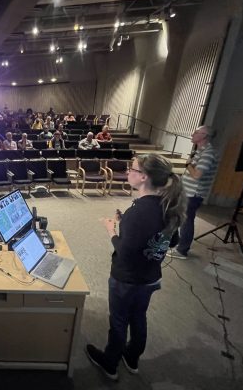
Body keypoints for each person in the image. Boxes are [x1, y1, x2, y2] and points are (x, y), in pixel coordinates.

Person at [86, 154, 186, 381]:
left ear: (143, 177)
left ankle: (110, 363)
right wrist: (127, 227)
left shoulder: (138, 212)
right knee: (139, 317)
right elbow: (171, 241)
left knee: (119, 320)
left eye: (132, 169)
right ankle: (132, 358)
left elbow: (125, 251)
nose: (128, 172)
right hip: (150, 278)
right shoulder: (167, 205)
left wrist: (111, 229)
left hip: (126, 279)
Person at [174, 126, 218, 259]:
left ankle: (182, 251)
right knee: (183, 219)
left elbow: (197, 175)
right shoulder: (199, 151)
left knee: (187, 221)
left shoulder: (207, 154)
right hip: (187, 192)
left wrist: (188, 165)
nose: (192, 134)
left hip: (193, 194)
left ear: (204, 136)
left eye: (196, 132)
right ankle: (179, 244)